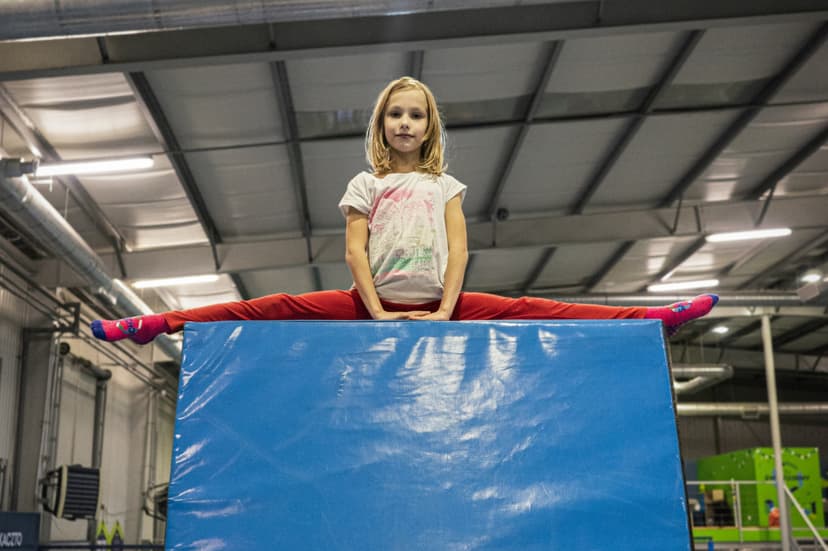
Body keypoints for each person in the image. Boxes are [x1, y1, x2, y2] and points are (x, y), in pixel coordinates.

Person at [91, 76, 717, 345]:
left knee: (530, 307)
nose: (406, 122)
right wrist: (376, 310)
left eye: (416, 114)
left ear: (429, 125)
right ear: (382, 124)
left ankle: (651, 317)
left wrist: (445, 309)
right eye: (396, 114)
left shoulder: (446, 184)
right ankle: (158, 324)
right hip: (370, 299)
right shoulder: (365, 182)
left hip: (441, 303)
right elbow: (354, 250)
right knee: (274, 306)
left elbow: (461, 250)